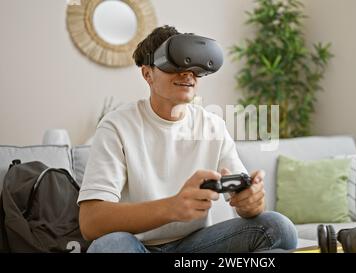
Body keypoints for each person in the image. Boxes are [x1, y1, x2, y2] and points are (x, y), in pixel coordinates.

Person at [78, 25, 298, 253]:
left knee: (278, 227)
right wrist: (170, 208)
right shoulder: (117, 126)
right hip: (136, 245)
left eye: (194, 65)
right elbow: (91, 222)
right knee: (111, 247)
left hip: (197, 245)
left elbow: (245, 202)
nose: (187, 74)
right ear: (147, 74)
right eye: (174, 64)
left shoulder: (213, 126)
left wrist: (251, 203)